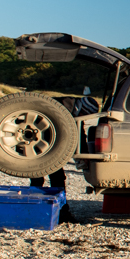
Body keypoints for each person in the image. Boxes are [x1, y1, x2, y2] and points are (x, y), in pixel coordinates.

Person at [30, 95, 100, 224]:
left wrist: (83, 155)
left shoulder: (72, 110)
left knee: (53, 178)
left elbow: (79, 134)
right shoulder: (62, 109)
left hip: (49, 150)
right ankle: (37, 212)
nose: (83, 117)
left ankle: (57, 213)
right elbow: (78, 134)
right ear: (82, 109)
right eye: (84, 114)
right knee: (42, 179)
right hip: (39, 147)